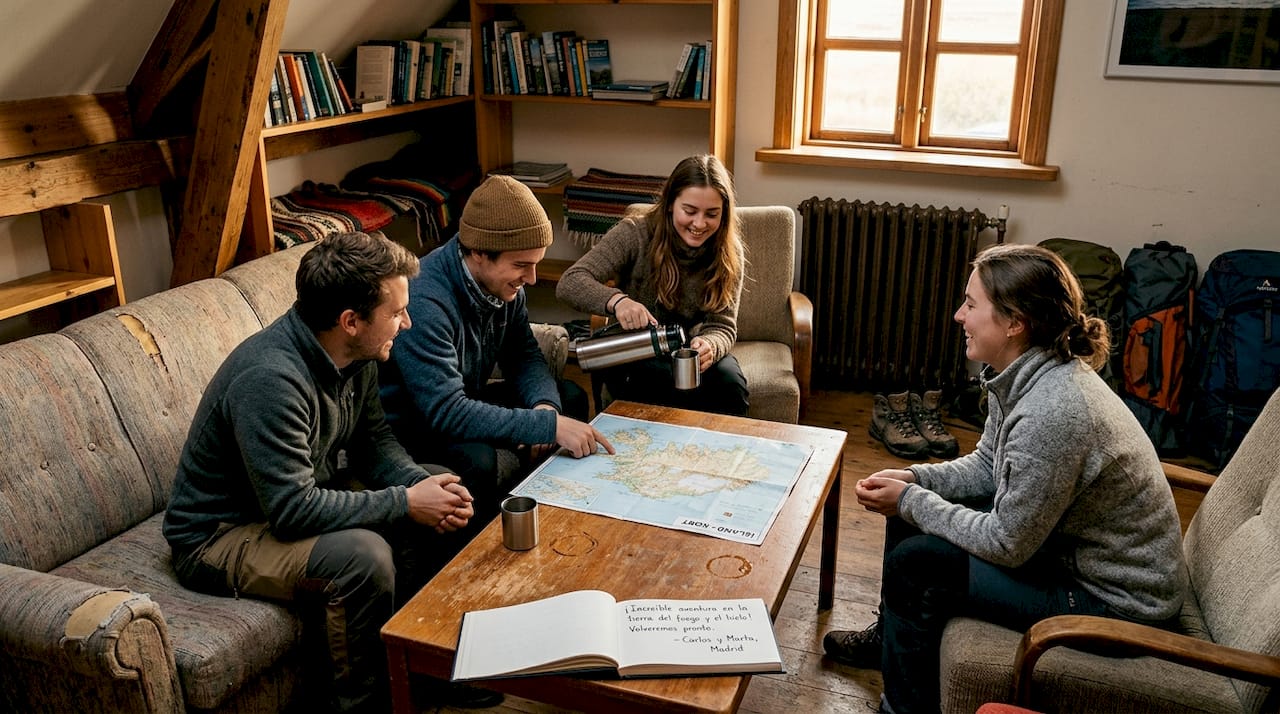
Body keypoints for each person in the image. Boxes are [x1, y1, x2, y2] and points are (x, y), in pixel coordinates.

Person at [821, 244, 1186, 714]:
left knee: (916, 564)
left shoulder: (1053, 411)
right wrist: (916, 477)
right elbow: (987, 467)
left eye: (971, 305)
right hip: (1066, 551)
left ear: (1015, 322)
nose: (958, 315)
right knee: (912, 511)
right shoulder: (1020, 372)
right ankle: (892, 638)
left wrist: (913, 498)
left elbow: (1009, 543)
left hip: (1113, 601)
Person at [162, 232, 497, 713]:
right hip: (220, 535)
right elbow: (292, 511)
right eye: (398, 312)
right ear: (351, 321)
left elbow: (374, 444)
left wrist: (419, 488)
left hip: (290, 497)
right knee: (362, 556)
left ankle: (427, 668)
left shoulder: (356, 352)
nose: (408, 322)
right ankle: (364, 703)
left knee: (437, 478)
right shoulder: (271, 380)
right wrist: (405, 502)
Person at [380, 175, 613, 519]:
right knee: (477, 458)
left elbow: (523, 356)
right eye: (521, 265)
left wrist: (545, 409)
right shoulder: (424, 299)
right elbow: (446, 411)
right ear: (478, 252)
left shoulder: (506, 287)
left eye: (535, 263)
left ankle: (554, 512)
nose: (531, 279)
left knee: (569, 398)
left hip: (462, 401)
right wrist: (545, 428)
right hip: (417, 423)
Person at [556, 154, 750, 416]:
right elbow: (570, 281)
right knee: (660, 381)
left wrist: (710, 346)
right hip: (636, 350)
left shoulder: (729, 252)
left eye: (711, 214)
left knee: (731, 384)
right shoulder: (634, 233)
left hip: (689, 350)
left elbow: (723, 326)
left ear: (724, 213)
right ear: (670, 203)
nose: (699, 224)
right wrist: (618, 301)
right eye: (690, 211)